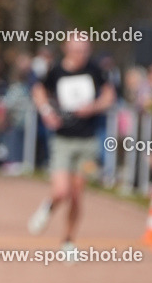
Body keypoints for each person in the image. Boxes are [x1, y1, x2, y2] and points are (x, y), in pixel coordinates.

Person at [28, 36, 116, 251]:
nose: (81, 55)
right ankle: (49, 207)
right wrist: (46, 112)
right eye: (77, 50)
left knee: (77, 195)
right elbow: (38, 90)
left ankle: (68, 241)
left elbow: (109, 95)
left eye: (85, 50)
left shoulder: (95, 70)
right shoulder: (56, 71)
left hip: (87, 140)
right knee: (61, 190)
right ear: (67, 49)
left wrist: (94, 107)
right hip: (63, 139)